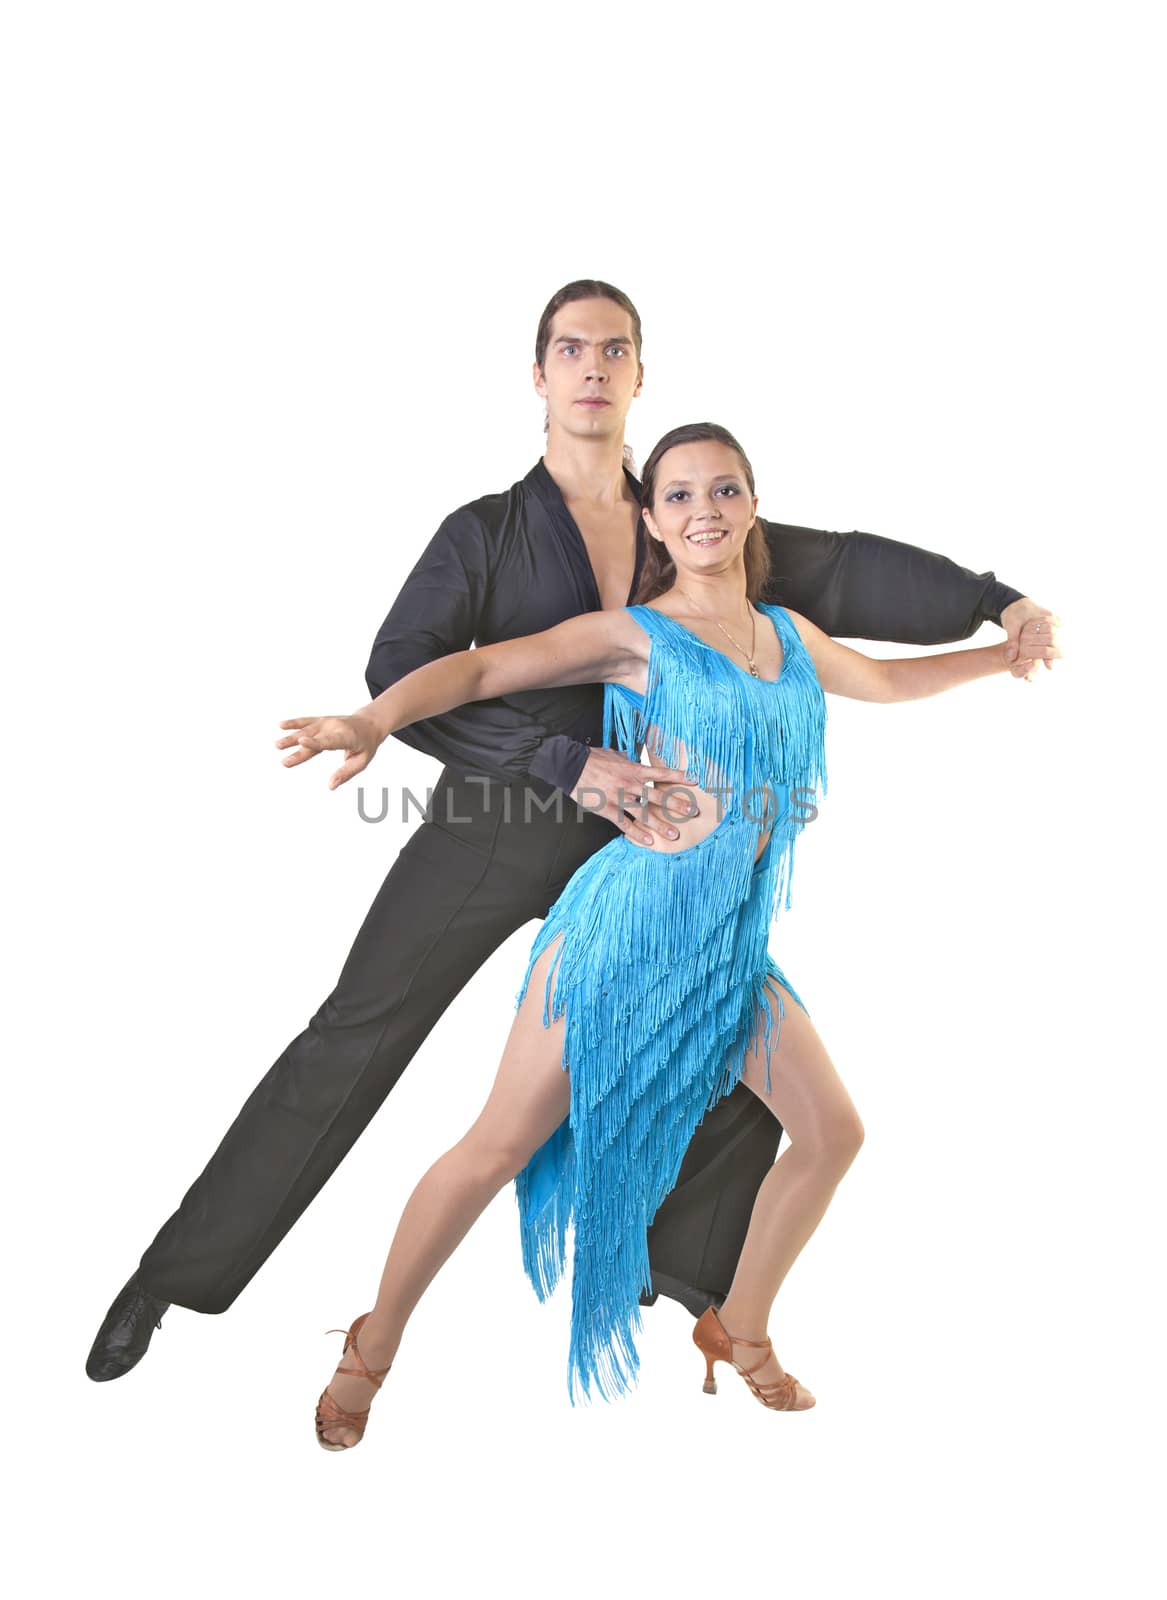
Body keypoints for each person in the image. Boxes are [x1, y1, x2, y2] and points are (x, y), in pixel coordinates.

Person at [86, 279, 1061, 1385]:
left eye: (615, 349)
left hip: (644, 853)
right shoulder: (487, 531)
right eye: (569, 349)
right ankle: (172, 1276)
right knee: (354, 1037)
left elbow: (846, 572)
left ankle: (702, 1291)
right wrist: (561, 762)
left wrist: (995, 602)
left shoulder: (686, 512)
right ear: (538, 376)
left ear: (642, 374)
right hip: (494, 828)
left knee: (712, 1044)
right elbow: (415, 672)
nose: (593, 367)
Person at [289, 419, 1050, 1445]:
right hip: (623, 934)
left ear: (749, 508)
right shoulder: (636, 633)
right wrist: (374, 720)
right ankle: (369, 1350)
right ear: (654, 519)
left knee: (833, 1134)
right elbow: (475, 673)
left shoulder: (787, 634)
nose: (704, 511)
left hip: (726, 947)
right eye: (681, 495)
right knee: (497, 1145)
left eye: (724, 491)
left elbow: (886, 680)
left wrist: (999, 656)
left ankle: (740, 1329)